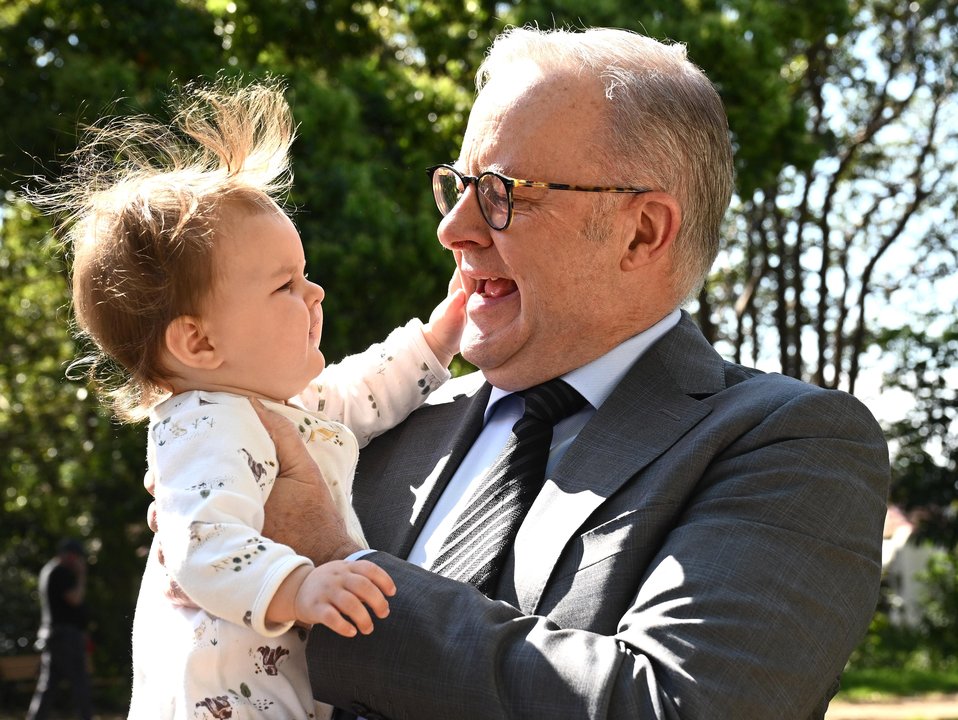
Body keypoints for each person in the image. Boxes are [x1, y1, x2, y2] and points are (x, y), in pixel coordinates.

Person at [253, 26, 891, 720]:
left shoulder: (790, 443)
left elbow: (675, 708)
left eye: (502, 193)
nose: (454, 229)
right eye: (458, 186)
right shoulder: (374, 425)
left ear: (643, 231)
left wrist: (339, 569)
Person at [35, 79, 464, 719]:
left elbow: (361, 391)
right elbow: (201, 543)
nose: (315, 294)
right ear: (200, 342)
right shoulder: (200, 424)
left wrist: (437, 336)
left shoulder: (280, 405)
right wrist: (301, 584)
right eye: (285, 285)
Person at [27, 538, 93, 720]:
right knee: (80, 683)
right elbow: (75, 599)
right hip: (66, 637)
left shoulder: (49, 570)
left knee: (47, 686)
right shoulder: (61, 572)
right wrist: (81, 576)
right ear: (72, 556)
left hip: (54, 635)